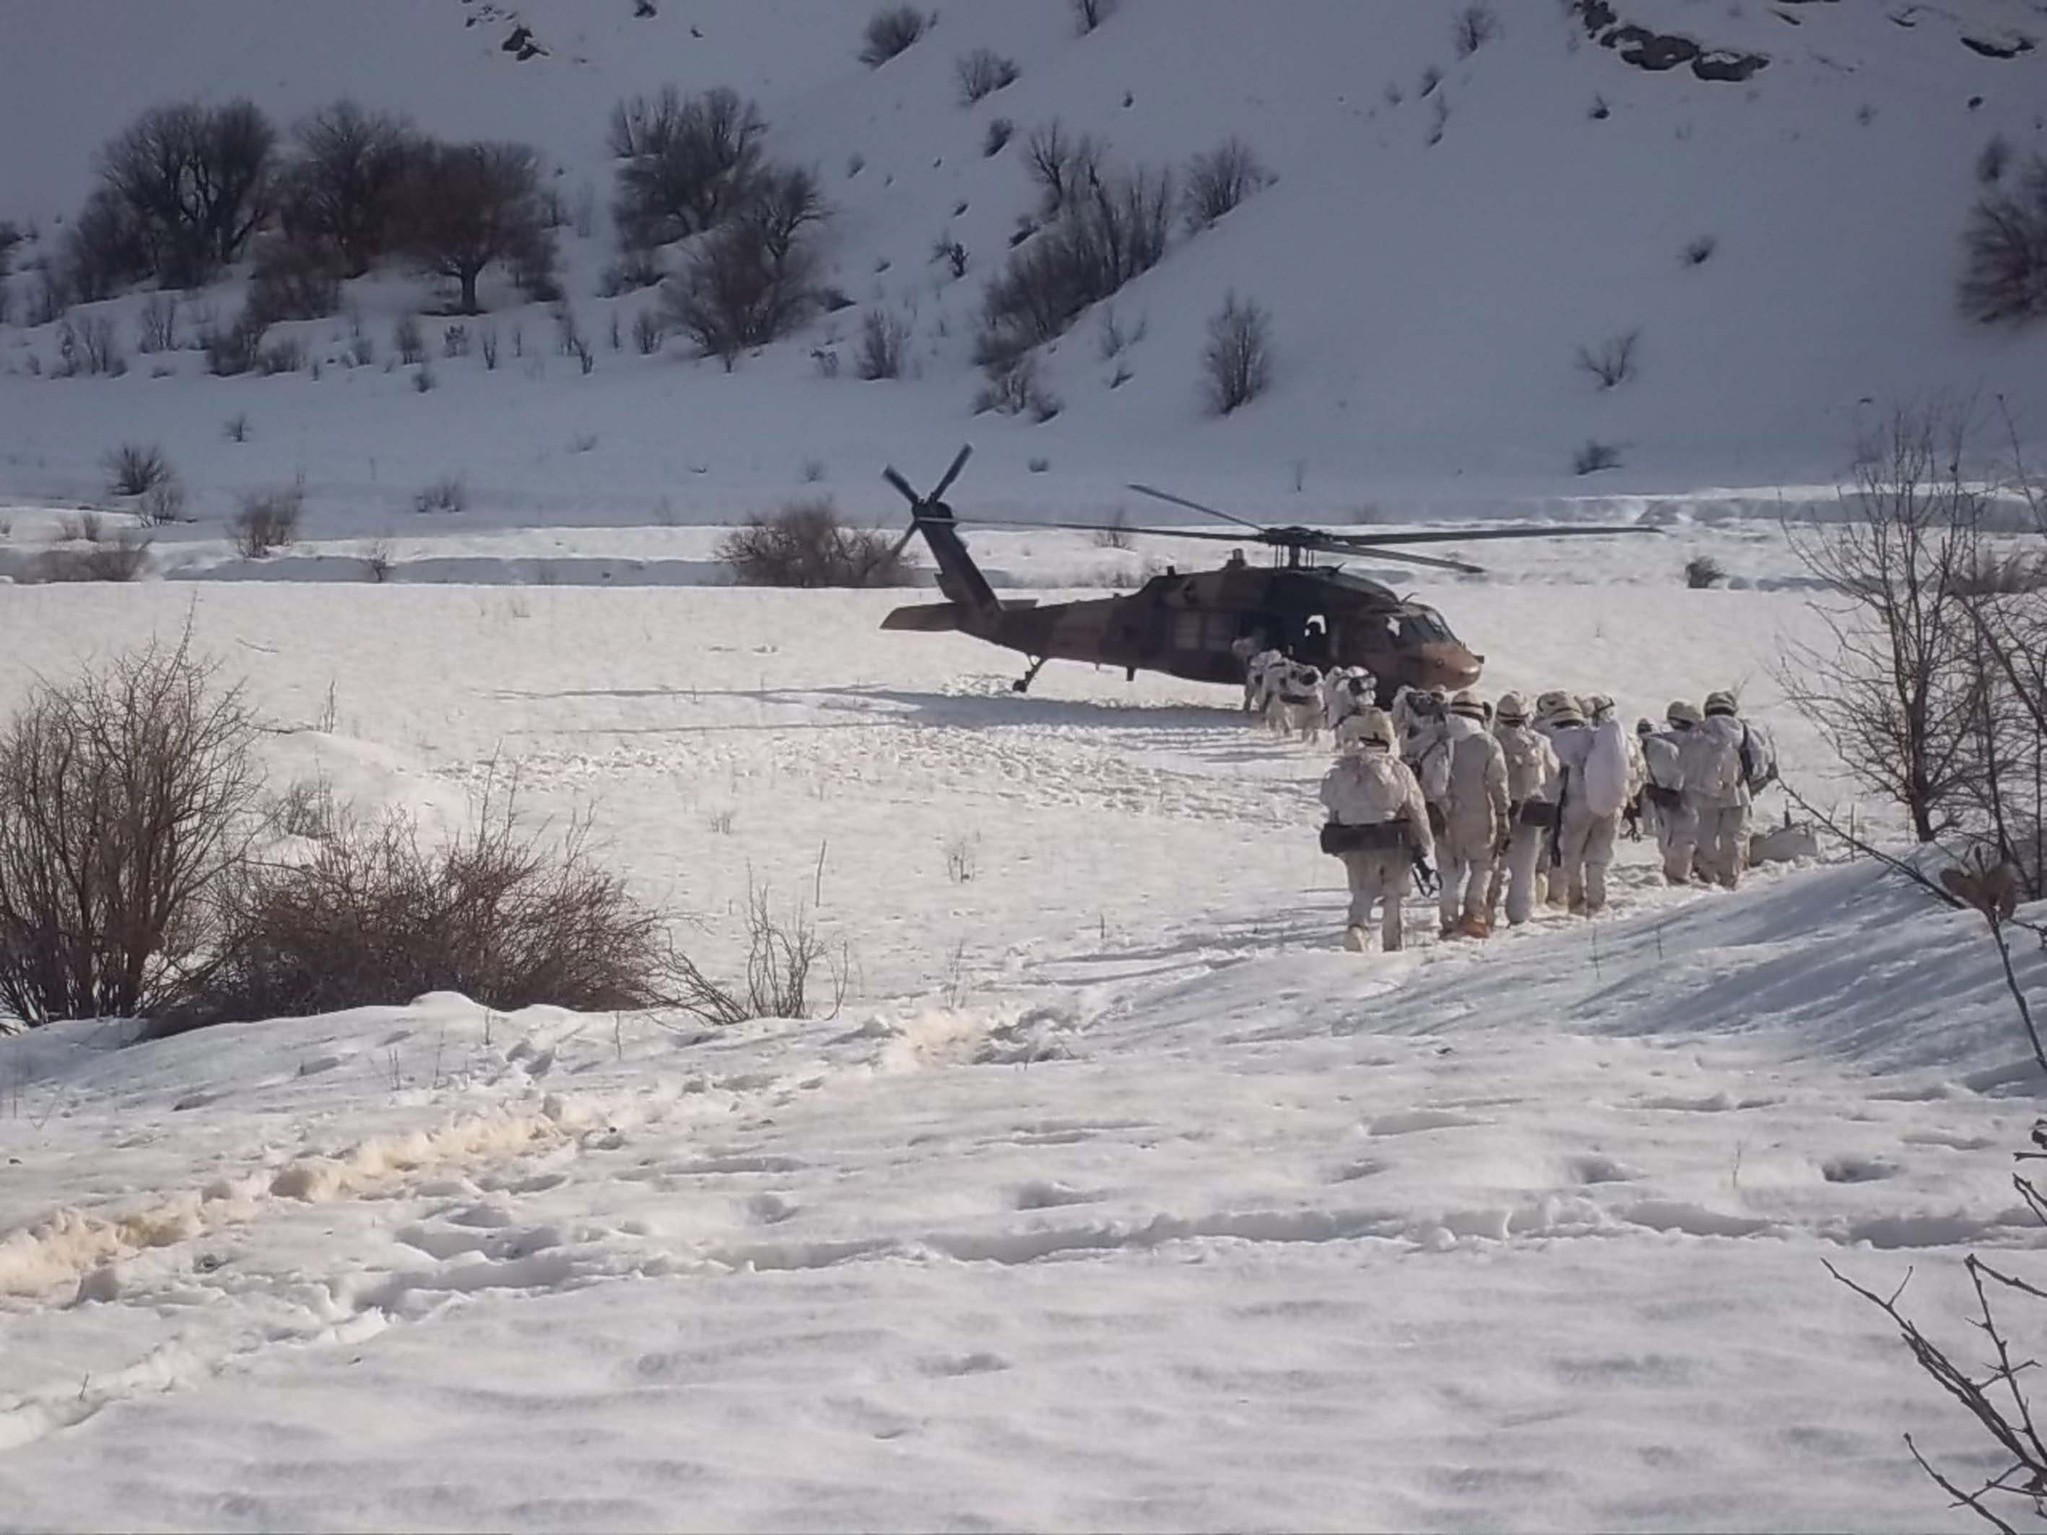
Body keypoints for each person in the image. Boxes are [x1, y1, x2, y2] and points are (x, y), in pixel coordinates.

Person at [1319, 708, 1435, 953]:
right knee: (1394, 894)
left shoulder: (1342, 770)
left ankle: (1357, 929)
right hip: (1393, 840)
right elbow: (1416, 807)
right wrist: (1425, 842)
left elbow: (1333, 809)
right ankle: (1393, 944)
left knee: (1362, 891)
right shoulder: (1397, 769)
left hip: (1353, 841)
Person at [1436, 689, 1510, 938]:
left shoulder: (1441, 739)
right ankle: (1473, 914)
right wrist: (1503, 815)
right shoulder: (1487, 743)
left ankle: (1447, 919)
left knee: (1449, 870)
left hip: (1444, 814)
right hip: (1480, 814)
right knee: (1483, 865)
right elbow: (1498, 783)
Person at [1487, 691, 1561, 927]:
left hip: (1498, 810)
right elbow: (1553, 774)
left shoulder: (1492, 741)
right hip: (1530, 811)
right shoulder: (1540, 742)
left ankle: (1485, 913)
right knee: (1525, 868)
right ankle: (1519, 916)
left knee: (1493, 866)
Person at [1547, 694, 1623, 915]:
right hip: (1606, 801)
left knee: (1571, 855)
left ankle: (1576, 899)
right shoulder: (1596, 736)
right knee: (1599, 855)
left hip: (1574, 805)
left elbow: (1552, 777)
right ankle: (1597, 901)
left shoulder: (1556, 740)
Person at [1681, 690, 1752, 889]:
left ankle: (1709, 876)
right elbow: (1757, 760)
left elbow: (1684, 761)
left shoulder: (1698, 731)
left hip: (1704, 794)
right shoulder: (1744, 730)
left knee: (1706, 837)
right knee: (1734, 838)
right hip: (1738, 792)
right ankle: (1731, 878)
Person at [1643, 701, 1699, 884]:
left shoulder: (1658, 741)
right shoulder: (1697, 740)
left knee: (1666, 835)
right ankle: (1681, 875)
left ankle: (1673, 871)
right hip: (1688, 795)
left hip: (1660, 794)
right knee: (1687, 835)